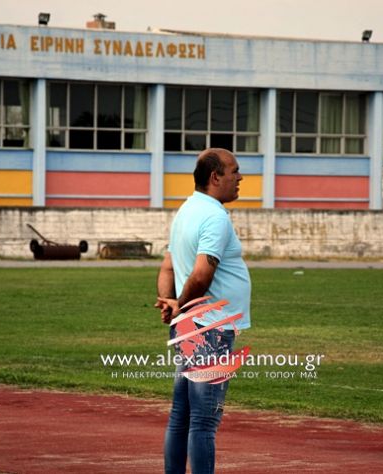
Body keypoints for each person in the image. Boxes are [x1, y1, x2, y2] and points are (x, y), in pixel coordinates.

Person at [155, 148, 252, 474]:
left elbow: (167, 267)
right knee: (204, 421)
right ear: (215, 177)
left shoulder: (185, 211)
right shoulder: (214, 217)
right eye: (234, 171)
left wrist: (170, 303)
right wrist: (180, 304)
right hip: (211, 327)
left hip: (190, 325)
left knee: (181, 415)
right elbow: (201, 274)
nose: (240, 178)